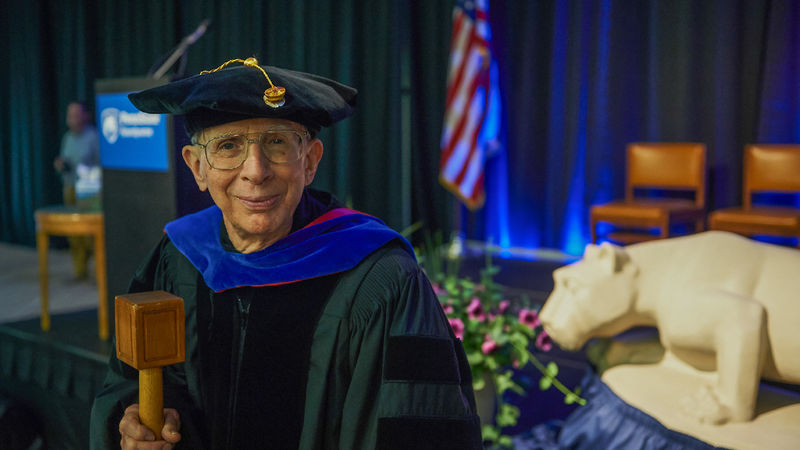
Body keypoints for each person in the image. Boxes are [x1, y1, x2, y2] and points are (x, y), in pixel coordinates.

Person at [89, 57, 481, 449]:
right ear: (197, 168)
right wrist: (140, 422)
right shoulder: (177, 258)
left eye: (277, 142)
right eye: (228, 146)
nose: (256, 171)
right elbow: (132, 383)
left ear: (309, 161)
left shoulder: (381, 279)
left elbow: (419, 432)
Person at [54, 101, 100, 279]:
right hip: (70, 188)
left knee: (90, 233)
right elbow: (65, 160)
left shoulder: (93, 137)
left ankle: (98, 274)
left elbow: (101, 165)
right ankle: (80, 271)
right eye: (69, 115)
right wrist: (60, 164)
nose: (72, 119)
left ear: (85, 116)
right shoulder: (68, 138)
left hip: (89, 191)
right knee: (73, 234)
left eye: (76, 114)